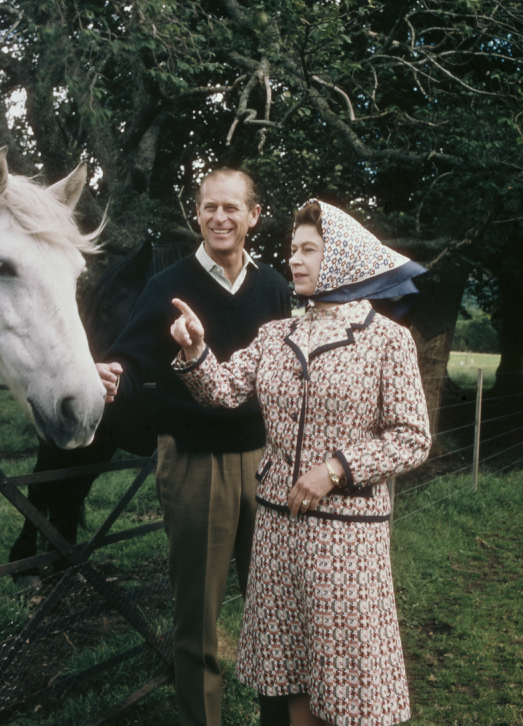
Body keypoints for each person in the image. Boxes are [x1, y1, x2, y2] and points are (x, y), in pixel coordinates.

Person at [169, 199, 431, 726]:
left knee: (348, 677)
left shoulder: (387, 341)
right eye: (292, 250)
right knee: (290, 672)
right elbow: (220, 391)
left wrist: (335, 468)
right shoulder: (275, 334)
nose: (295, 260)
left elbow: (412, 438)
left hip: (347, 539)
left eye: (310, 250)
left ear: (343, 258)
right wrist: (196, 350)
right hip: (277, 530)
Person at [97, 169, 291, 726]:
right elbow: (131, 357)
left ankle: (276, 719)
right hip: (195, 465)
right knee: (197, 621)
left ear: (253, 216)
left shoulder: (275, 287)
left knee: (271, 613)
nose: (219, 218)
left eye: (231, 208)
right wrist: (115, 374)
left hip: (265, 465)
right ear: (198, 214)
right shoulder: (168, 287)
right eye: (209, 208)